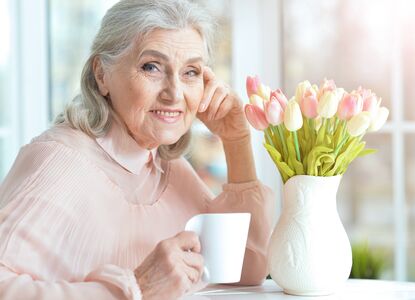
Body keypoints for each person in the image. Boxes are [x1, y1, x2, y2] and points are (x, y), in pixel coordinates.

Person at [0, 0, 274, 299]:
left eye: (191, 72)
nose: (174, 94)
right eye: (151, 67)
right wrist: (137, 288)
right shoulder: (57, 162)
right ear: (102, 74)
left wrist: (236, 142)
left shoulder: (164, 165)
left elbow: (244, 269)